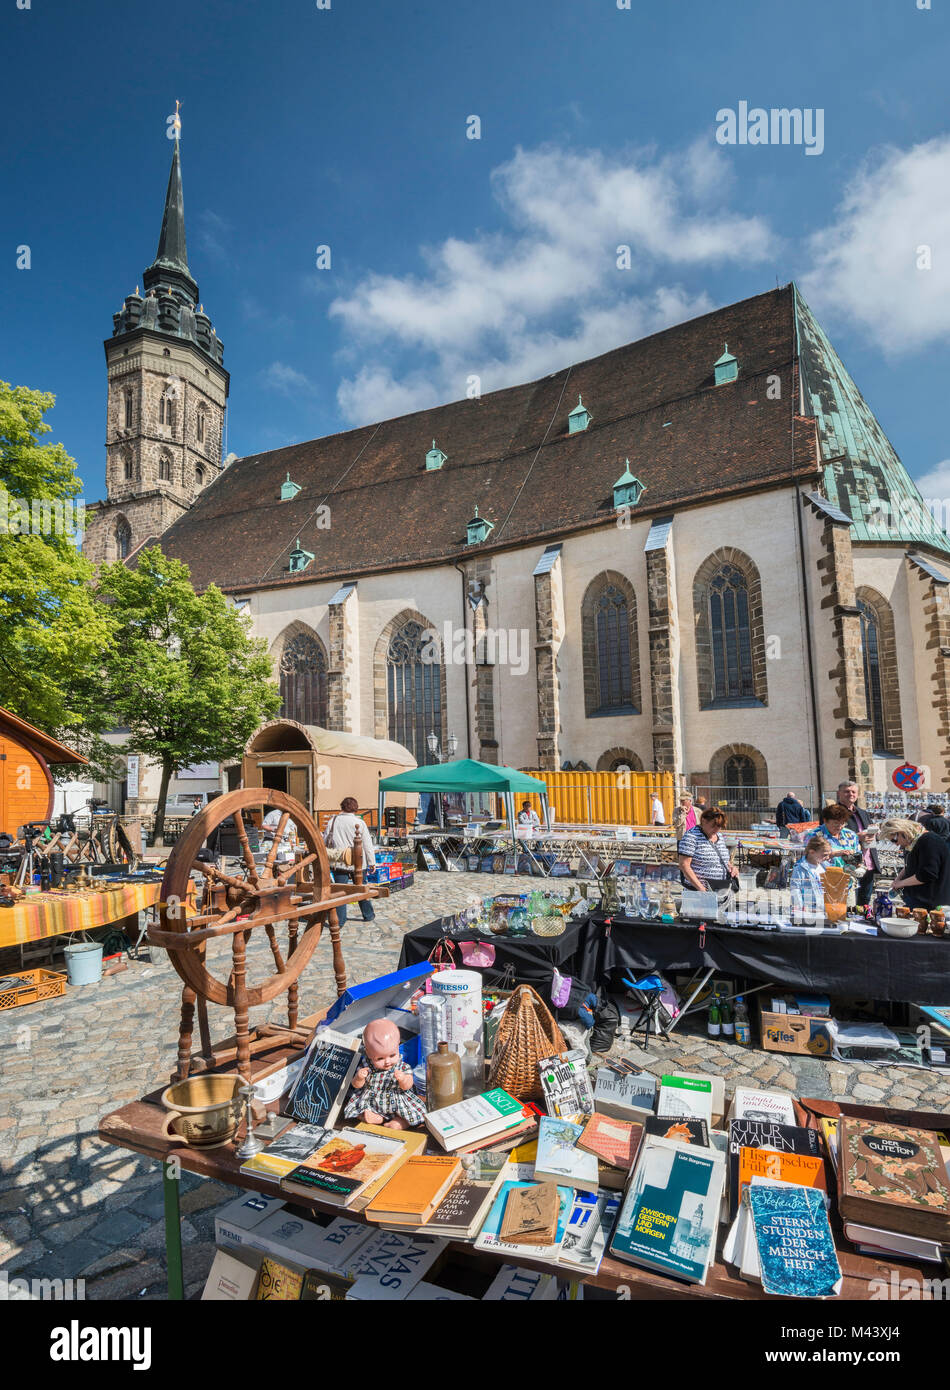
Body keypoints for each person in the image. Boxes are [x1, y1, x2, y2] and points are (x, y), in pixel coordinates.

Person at [324, 797, 377, 923]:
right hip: (358, 862)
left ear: (342, 806)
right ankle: (368, 914)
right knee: (361, 888)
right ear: (355, 808)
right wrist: (372, 862)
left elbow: (325, 840)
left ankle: (340, 920)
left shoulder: (333, 821)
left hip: (339, 860)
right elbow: (367, 845)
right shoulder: (359, 822)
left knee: (340, 891)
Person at [879, 818, 950, 911]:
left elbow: (927, 874)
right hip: (920, 898)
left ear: (901, 832)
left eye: (894, 840)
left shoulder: (929, 841)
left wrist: (901, 883)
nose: (896, 845)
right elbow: (910, 864)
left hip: (929, 902)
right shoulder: (915, 842)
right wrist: (897, 879)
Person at [835, 781, 880, 906]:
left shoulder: (862, 812)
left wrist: (874, 833)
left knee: (865, 901)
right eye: (847, 791)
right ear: (839, 794)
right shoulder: (833, 812)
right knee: (846, 900)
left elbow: (872, 832)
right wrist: (856, 837)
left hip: (867, 862)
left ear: (858, 794)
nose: (851, 794)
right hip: (847, 863)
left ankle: (863, 923)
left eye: (853, 792)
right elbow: (830, 836)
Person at [678, 807, 739, 892]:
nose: (717, 829)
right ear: (703, 821)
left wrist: (732, 868)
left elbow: (722, 859)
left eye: (720, 826)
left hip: (722, 888)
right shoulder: (691, 837)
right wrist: (701, 888)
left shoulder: (719, 836)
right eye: (714, 826)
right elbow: (684, 865)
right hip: (699, 892)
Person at [790, 835, 832, 922]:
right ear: (812, 852)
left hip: (824, 910)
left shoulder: (826, 867)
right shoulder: (800, 868)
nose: (827, 858)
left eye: (828, 855)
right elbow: (795, 889)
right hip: (808, 911)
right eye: (824, 855)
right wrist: (800, 909)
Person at [806, 803, 861, 869]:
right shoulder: (814, 835)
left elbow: (858, 853)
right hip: (823, 876)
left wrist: (856, 862)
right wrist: (833, 854)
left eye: (843, 823)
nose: (840, 827)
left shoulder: (850, 835)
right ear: (825, 821)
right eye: (836, 823)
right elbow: (808, 858)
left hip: (848, 876)